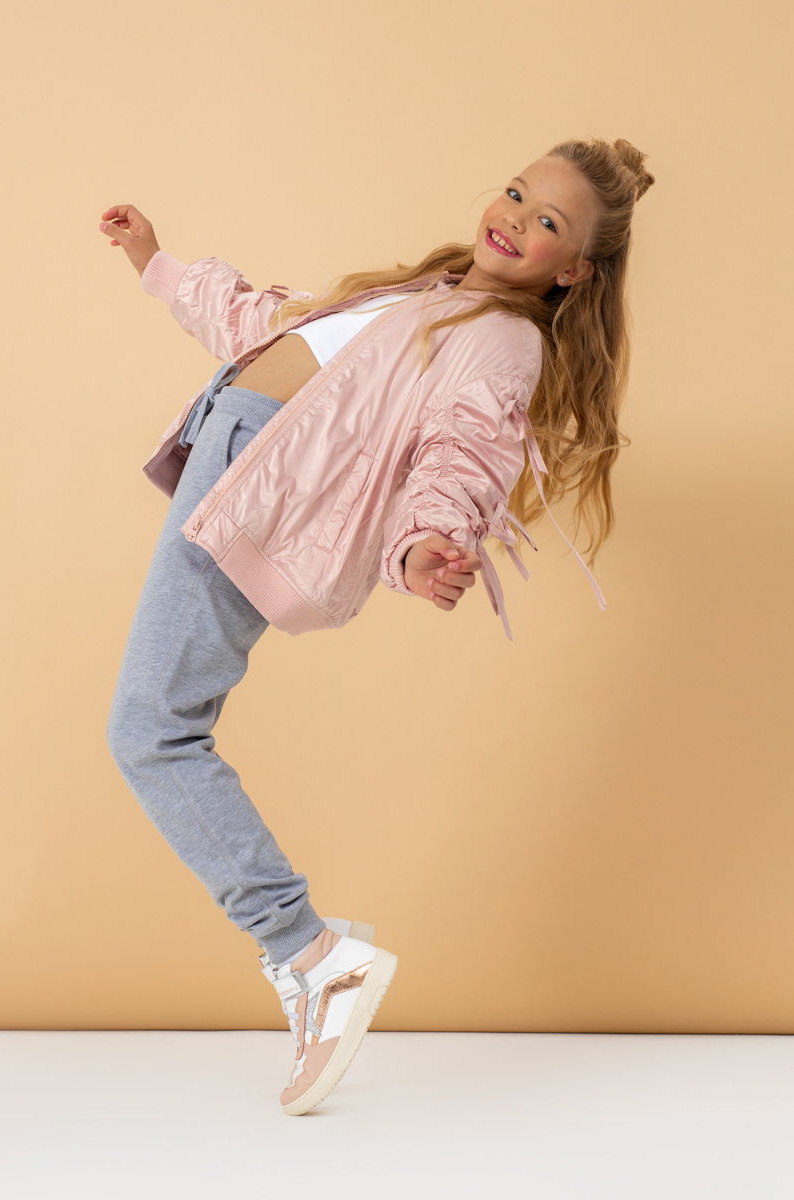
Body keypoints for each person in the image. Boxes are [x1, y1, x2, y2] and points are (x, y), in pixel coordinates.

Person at [100, 136, 654, 1115]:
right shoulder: (427, 293)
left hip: (263, 495)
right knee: (157, 726)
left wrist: (429, 542)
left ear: (574, 270)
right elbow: (270, 325)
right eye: (517, 193)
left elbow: (463, 449)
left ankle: (310, 952)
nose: (515, 219)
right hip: (238, 471)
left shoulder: (502, 340)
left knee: (153, 730)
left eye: (548, 223)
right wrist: (158, 265)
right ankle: (311, 951)